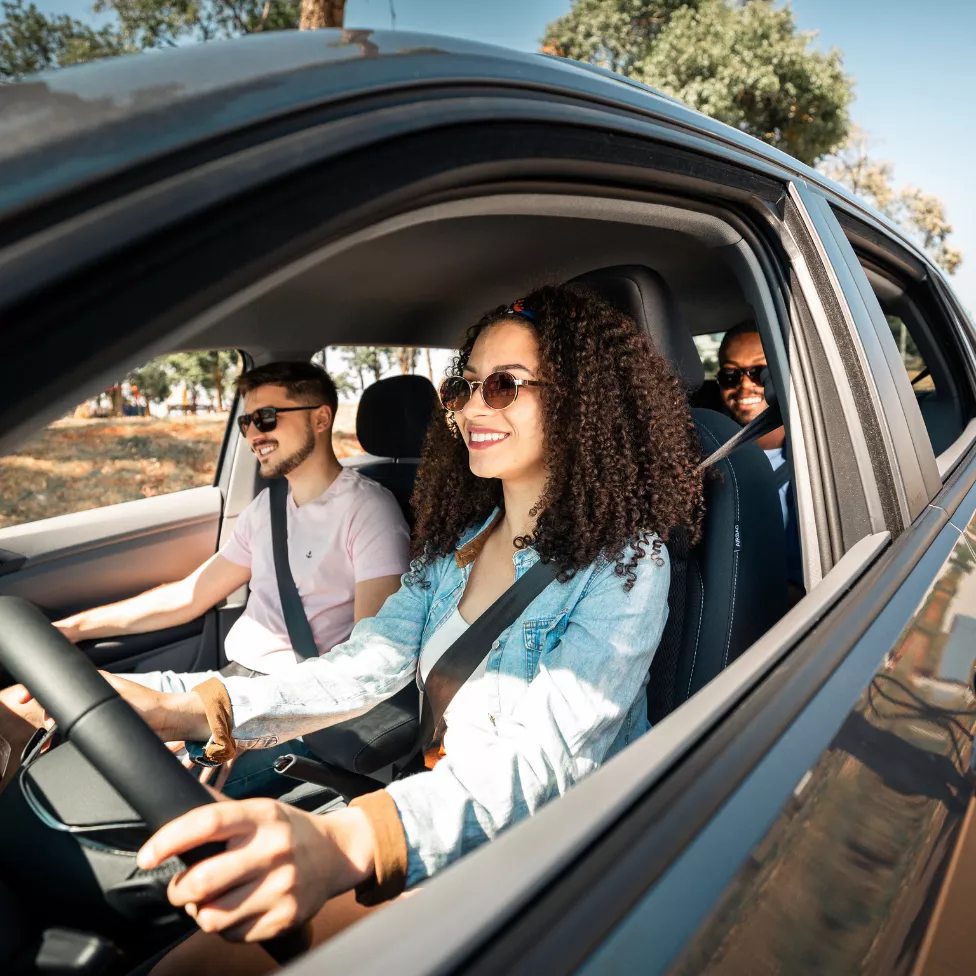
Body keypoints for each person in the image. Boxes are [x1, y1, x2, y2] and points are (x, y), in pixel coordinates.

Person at [13, 284, 705, 953]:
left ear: (584, 406)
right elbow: (364, 664)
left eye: (505, 385)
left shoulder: (628, 563)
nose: (471, 408)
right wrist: (187, 704)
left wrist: (344, 840)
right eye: (464, 387)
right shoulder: (460, 545)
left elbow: (539, 768)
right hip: (431, 809)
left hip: (549, 856)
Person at [1, 361, 410, 796]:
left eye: (267, 418)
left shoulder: (369, 511)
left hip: (294, 712)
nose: (254, 434)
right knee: (16, 708)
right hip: (221, 683)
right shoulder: (266, 510)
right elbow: (188, 597)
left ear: (321, 417)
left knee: (104, 781)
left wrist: (225, 722)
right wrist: (72, 628)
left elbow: (369, 657)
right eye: (246, 421)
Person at [716, 321, 802, 589]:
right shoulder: (707, 449)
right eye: (730, 374)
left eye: (760, 372)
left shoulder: (813, 460)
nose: (744, 386)